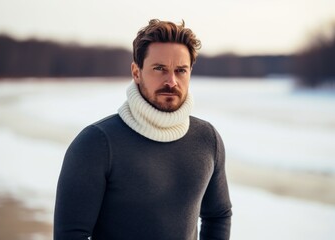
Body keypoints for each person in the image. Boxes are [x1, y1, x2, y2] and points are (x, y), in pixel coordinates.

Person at [54, 19, 232, 240]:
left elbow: (218, 215)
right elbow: (71, 234)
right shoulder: (96, 143)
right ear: (136, 72)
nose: (172, 81)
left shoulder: (207, 139)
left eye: (181, 70)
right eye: (160, 69)